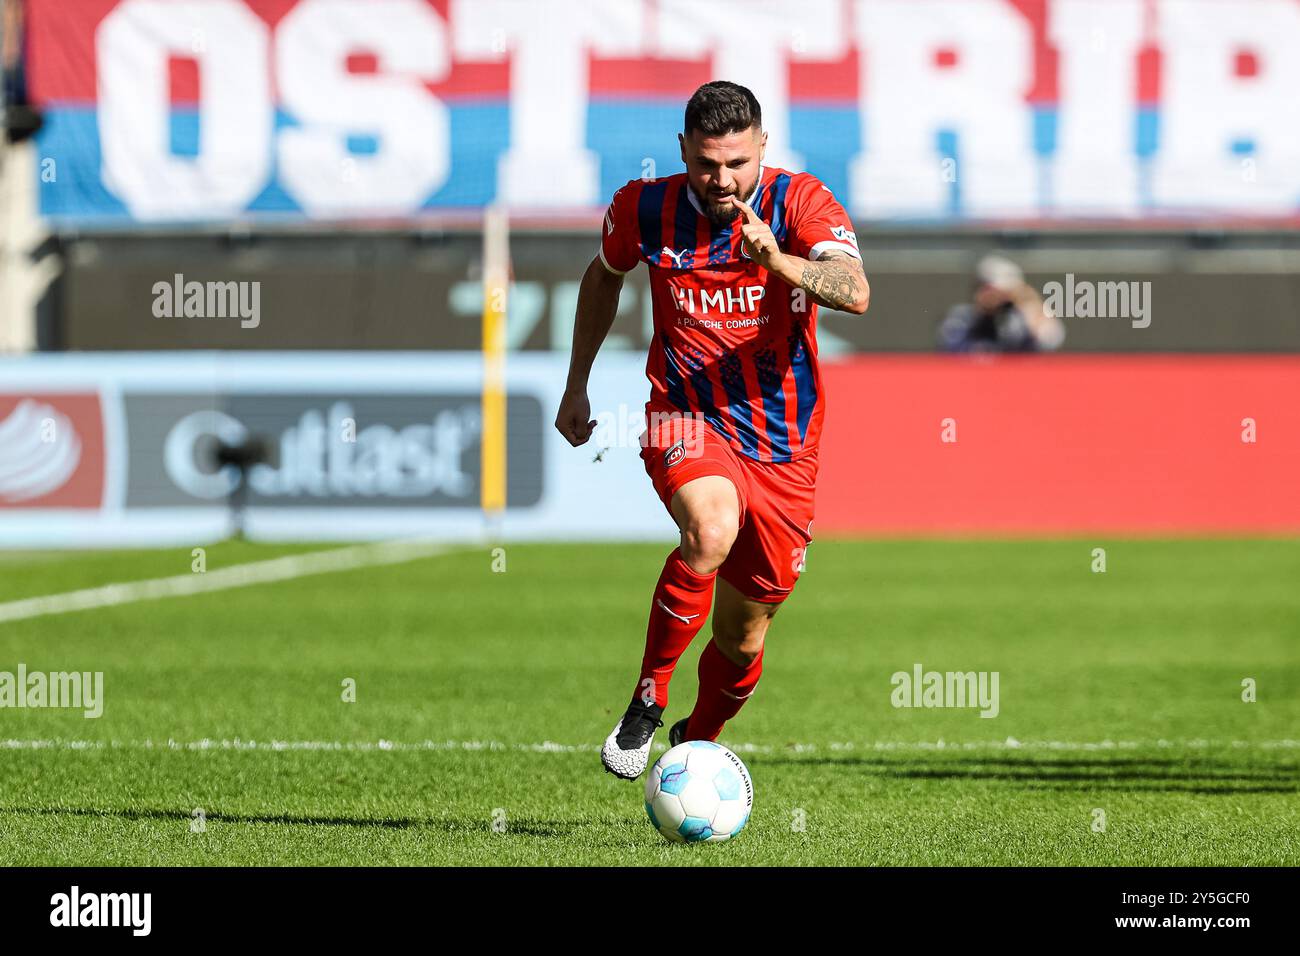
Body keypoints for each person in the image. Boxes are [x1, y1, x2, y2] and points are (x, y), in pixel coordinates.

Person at [554, 80, 870, 780]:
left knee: (745, 632)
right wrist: (576, 383)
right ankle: (647, 697)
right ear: (682, 153)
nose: (721, 180)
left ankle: (694, 738)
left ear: (763, 147)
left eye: (736, 164)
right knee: (710, 529)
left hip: (785, 444)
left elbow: (855, 292)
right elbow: (604, 277)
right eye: (705, 164)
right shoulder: (645, 208)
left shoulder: (801, 203)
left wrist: (777, 261)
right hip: (686, 415)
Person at [937, 254, 1063, 353]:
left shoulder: (1016, 320)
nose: (999, 297)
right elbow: (953, 351)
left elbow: (1050, 341)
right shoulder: (961, 317)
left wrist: (1032, 306)